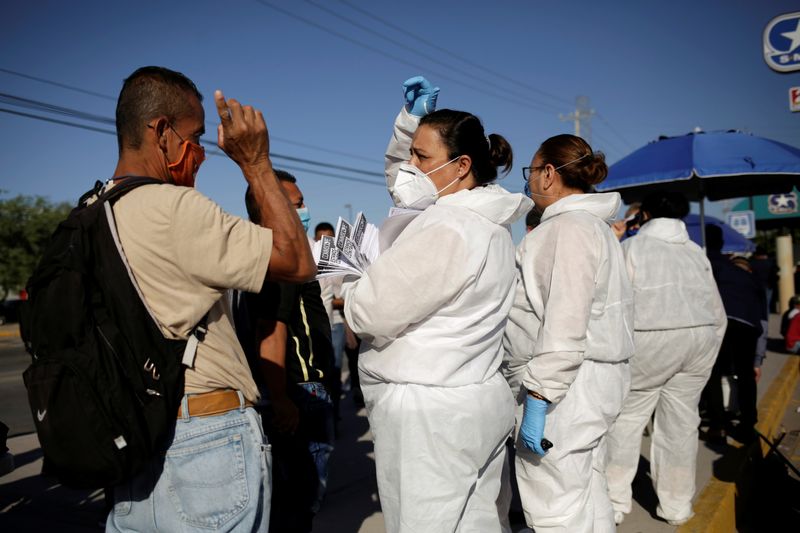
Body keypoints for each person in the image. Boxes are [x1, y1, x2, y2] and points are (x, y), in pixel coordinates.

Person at [105, 66, 315, 531]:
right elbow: (297, 261)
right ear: (161, 133)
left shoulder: (92, 211)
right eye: (195, 137)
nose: (200, 155)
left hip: (131, 442)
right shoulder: (175, 208)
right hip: (203, 442)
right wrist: (256, 163)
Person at [342, 76, 532, 533]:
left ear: (461, 165)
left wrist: (351, 283)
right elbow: (405, 187)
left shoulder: (447, 227)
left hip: (429, 415)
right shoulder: (487, 221)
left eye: (420, 156)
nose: (409, 165)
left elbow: (369, 311)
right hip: (473, 399)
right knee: (477, 522)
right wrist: (408, 124)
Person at [503, 133, 634, 533]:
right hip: (591, 379)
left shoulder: (567, 229)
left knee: (555, 508)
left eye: (531, 171)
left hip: (566, 389)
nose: (528, 182)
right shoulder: (592, 228)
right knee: (587, 493)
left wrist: (540, 398)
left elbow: (565, 319)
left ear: (547, 174)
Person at [604, 191, 727, 526]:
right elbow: (718, 313)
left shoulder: (632, 248)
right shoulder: (695, 252)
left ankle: (614, 501)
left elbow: (613, 308)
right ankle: (676, 507)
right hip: (699, 341)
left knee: (625, 422)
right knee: (681, 427)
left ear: (644, 215)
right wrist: (709, 350)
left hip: (650, 341)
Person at [242, 172, 335, 533]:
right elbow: (273, 327)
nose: (305, 210)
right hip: (298, 392)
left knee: (293, 497)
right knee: (298, 498)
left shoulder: (269, 250)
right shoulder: (278, 257)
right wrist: (281, 398)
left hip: (300, 390)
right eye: (296, 205)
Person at [702, 224, 766, 444]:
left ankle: (718, 425)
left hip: (721, 322)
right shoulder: (736, 270)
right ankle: (748, 423)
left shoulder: (705, 263)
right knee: (745, 374)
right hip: (749, 323)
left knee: (713, 372)